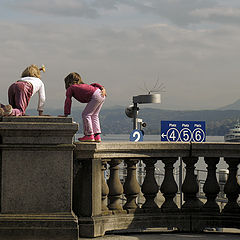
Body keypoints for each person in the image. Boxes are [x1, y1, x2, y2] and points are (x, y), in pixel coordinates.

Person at [59, 72, 106, 142]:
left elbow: (68, 101)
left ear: (68, 82)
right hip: (101, 94)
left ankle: (89, 135)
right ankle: (97, 136)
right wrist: (102, 88)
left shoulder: (71, 88)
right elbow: (94, 84)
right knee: (94, 115)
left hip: (96, 95)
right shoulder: (83, 85)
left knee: (86, 114)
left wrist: (66, 114)